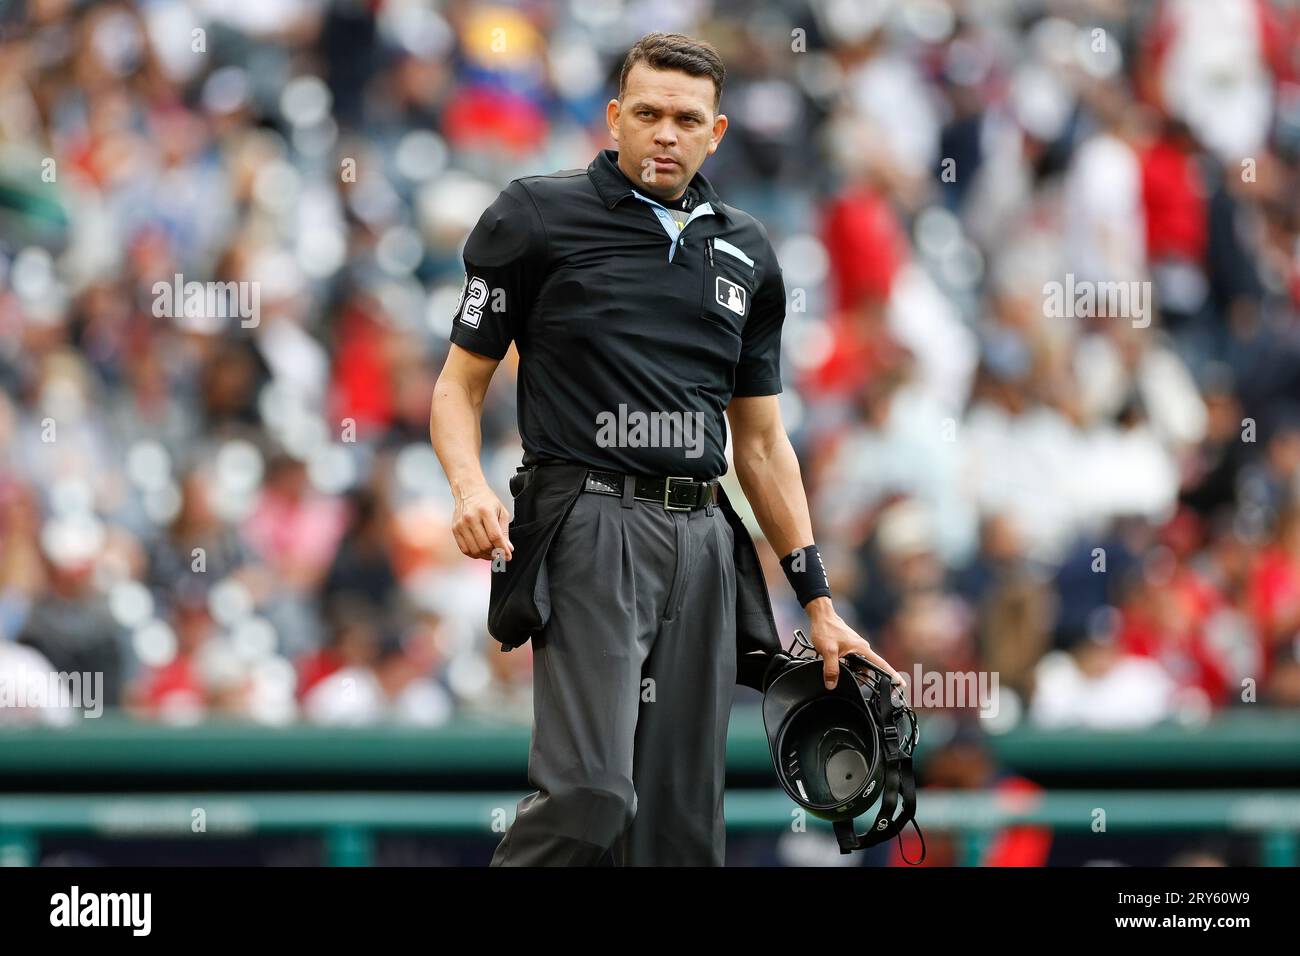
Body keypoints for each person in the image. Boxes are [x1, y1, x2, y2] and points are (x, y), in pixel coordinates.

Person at [430, 32, 905, 867]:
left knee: (682, 836)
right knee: (591, 795)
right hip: (589, 523)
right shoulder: (535, 213)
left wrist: (818, 601)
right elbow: (457, 386)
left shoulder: (750, 251)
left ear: (715, 133)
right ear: (614, 118)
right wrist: (468, 488)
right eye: (646, 113)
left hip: (704, 542)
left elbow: (759, 442)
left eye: (686, 118)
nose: (665, 133)